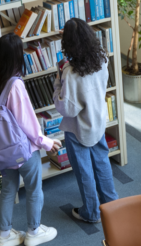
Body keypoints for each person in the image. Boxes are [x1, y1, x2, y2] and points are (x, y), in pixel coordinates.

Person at [0, 33, 61, 246]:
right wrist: (46, 142)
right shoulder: (15, 85)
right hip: (23, 151)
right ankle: (33, 232)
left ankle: (4, 235)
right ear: (17, 56)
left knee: (8, 189)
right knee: (34, 189)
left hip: (1, 151)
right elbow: (27, 123)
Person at [53, 18, 118, 223]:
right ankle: (112, 206)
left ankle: (91, 212)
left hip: (78, 128)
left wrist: (58, 83)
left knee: (84, 172)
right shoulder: (102, 58)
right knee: (102, 162)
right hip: (97, 121)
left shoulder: (70, 73)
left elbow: (67, 108)